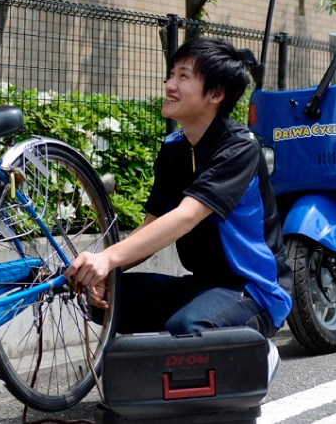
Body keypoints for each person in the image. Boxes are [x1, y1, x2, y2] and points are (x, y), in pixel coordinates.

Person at [66, 37, 293, 378]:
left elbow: (186, 216)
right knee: (105, 298)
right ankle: (184, 354)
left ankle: (256, 352)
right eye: (171, 74)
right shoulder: (174, 148)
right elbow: (152, 225)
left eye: (183, 77)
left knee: (188, 327)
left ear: (216, 94)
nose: (169, 85)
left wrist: (108, 258)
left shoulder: (239, 149)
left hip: (252, 290)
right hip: (201, 286)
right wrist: (104, 271)